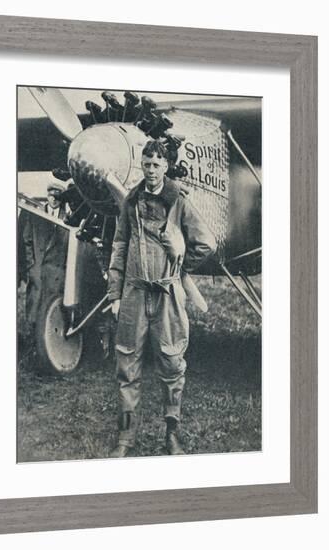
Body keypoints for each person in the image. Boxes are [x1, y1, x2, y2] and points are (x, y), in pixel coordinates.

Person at [107, 140, 217, 458]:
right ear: (142, 165)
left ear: (166, 166)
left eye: (157, 165)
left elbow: (205, 243)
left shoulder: (179, 201)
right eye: (146, 164)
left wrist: (180, 266)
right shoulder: (130, 201)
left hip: (167, 294)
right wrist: (115, 294)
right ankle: (125, 438)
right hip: (134, 294)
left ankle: (171, 435)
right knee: (127, 366)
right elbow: (119, 246)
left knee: (171, 364)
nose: (151, 170)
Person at [18, 180, 67, 339]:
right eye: (51, 196)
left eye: (57, 197)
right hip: (38, 270)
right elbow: (27, 240)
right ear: (47, 196)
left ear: (61, 200)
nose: (53, 200)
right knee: (34, 306)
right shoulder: (36, 216)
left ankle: (48, 340)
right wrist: (31, 265)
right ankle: (31, 337)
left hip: (56, 272)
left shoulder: (67, 220)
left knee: (51, 306)